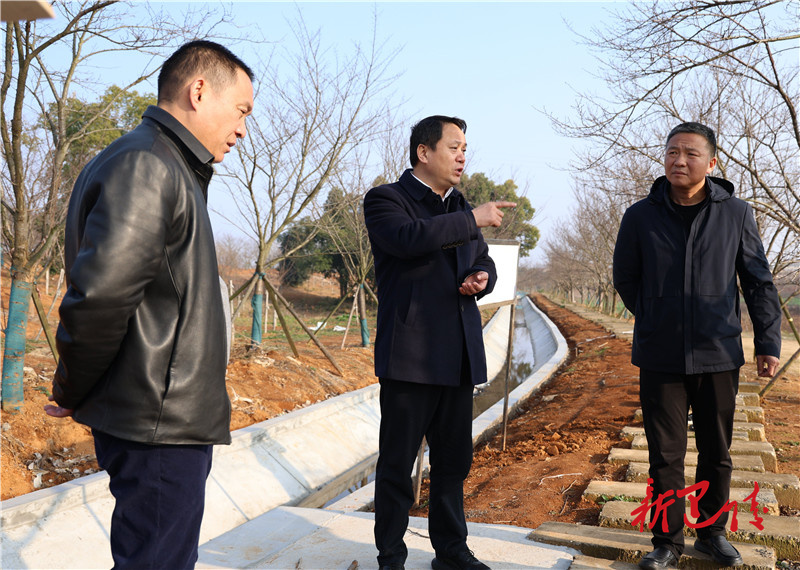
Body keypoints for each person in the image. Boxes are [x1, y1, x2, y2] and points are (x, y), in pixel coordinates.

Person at [45, 40, 254, 569]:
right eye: (241, 111)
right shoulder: (148, 165)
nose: (241, 129)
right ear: (198, 91)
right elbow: (101, 297)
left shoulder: (162, 162)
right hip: (158, 419)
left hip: (159, 413)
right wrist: (71, 386)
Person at [613, 122, 782, 569]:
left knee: (716, 451)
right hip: (660, 354)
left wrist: (767, 341)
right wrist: (654, 313)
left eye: (690, 153)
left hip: (718, 352)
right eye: (672, 152)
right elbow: (625, 277)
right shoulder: (640, 216)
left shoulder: (736, 214)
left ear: (711, 163)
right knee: (664, 454)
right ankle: (665, 542)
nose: (679, 160)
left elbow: (758, 281)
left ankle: (711, 533)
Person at [364, 115, 516, 570]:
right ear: (423, 152)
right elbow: (408, 239)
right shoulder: (387, 199)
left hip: (458, 355)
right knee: (398, 464)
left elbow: (482, 257)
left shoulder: (458, 205)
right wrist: (471, 219)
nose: (462, 156)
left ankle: (451, 550)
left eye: (465, 148)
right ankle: (391, 556)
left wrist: (482, 276)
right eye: (454, 147)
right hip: (410, 357)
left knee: (453, 463)